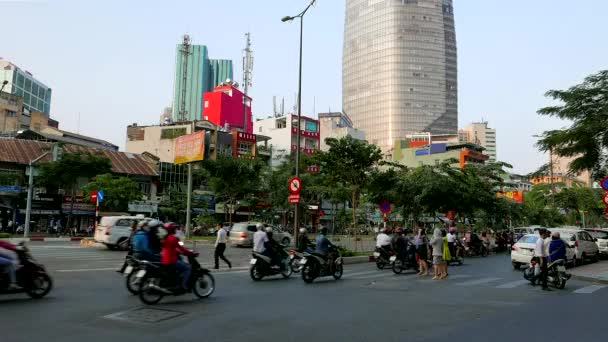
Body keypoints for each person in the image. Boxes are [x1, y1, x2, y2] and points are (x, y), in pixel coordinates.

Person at [161, 223, 198, 291]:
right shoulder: (173, 238)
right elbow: (182, 250)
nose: (176, 229)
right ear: (172, 230)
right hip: (172, 260)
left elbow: (171, 248)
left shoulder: (165, 238)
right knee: (188, 268)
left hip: (164, 260)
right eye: (174, 228)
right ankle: (184, 285)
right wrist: (191, 253)